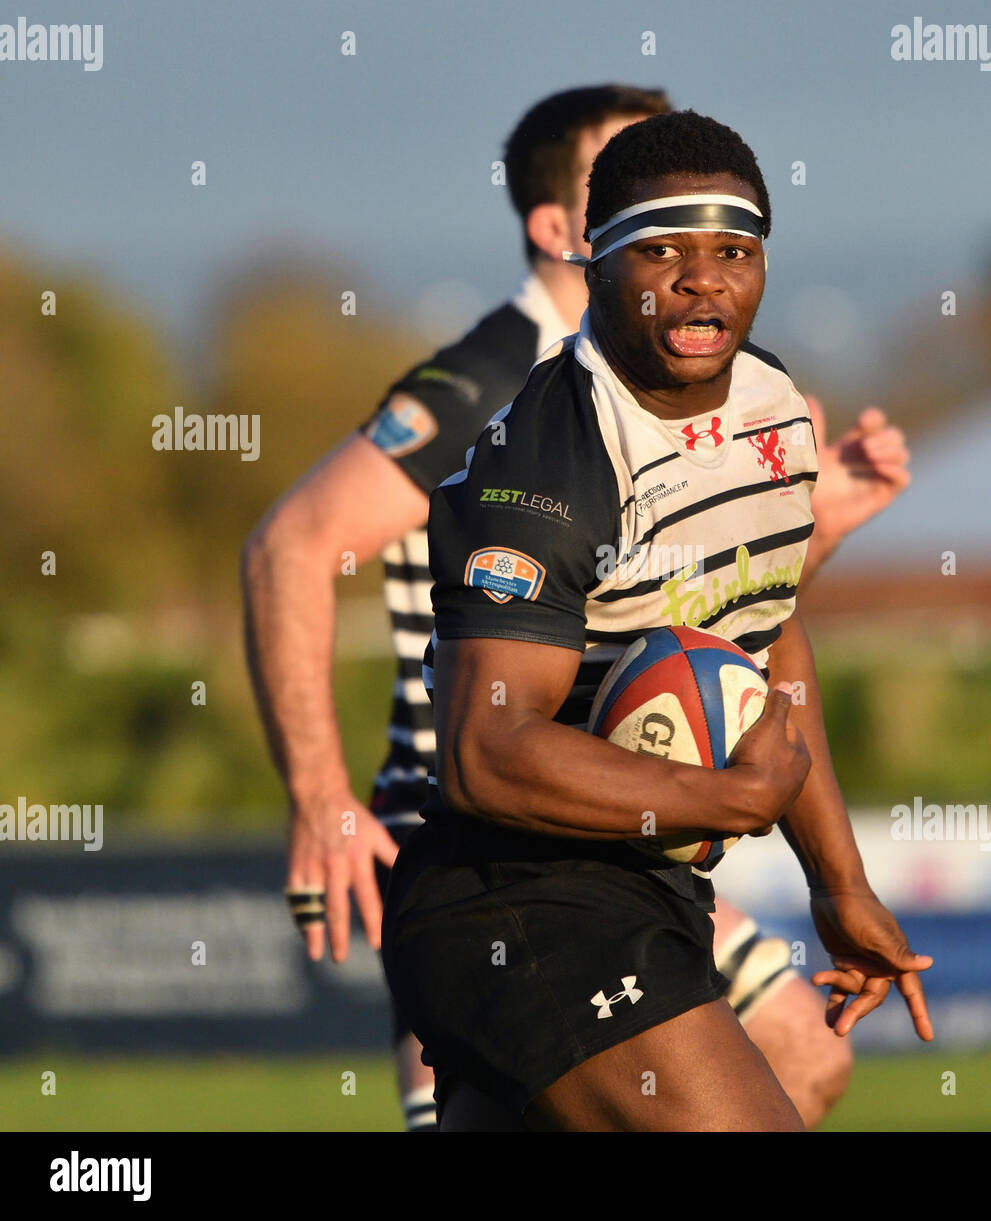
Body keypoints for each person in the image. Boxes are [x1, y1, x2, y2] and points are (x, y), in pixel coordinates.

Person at [242, 86, 911, 1131]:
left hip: (649, 882)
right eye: (659, 250)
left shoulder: (772, 407)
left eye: (733, 249)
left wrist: (836, 880)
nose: (701, 278)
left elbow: (764, 627)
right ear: (589, 256)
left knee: (801, 1067)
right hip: (514, 898)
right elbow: (485, 752)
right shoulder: (541, 458)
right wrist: (735, 803)